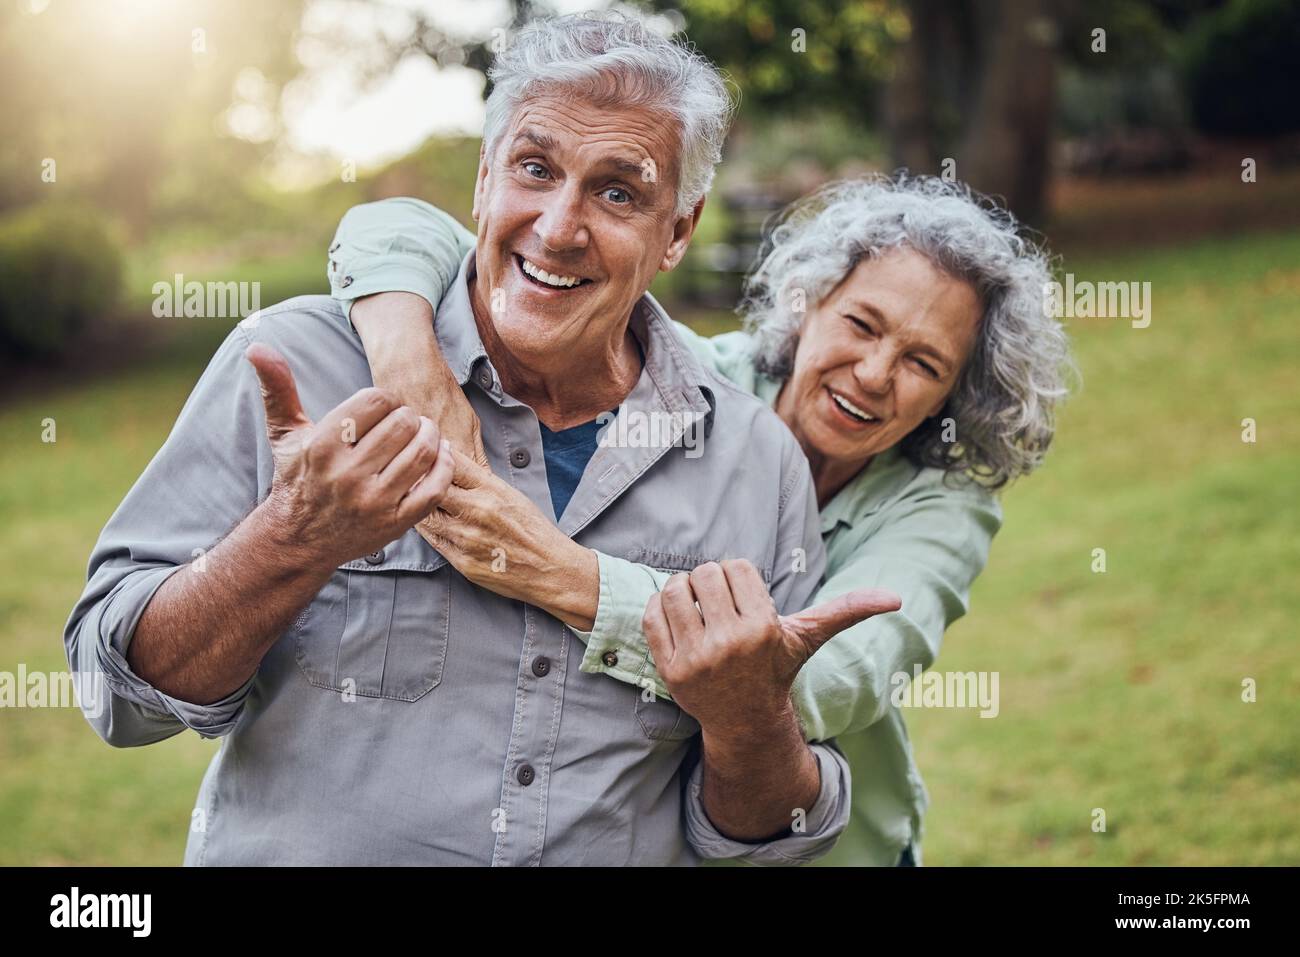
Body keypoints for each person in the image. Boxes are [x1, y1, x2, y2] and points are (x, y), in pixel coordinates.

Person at [63, 13, 892, 866]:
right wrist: (293, 539)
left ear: (679, 229)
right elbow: (117, 696)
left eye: (618, 192)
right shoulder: (297, 364)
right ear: (485, 180)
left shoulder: (755, 462)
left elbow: (769, 840)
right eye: (535, 169)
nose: (560, 226)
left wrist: (749, 717)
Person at [325, 173, 1074, 865]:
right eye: (862, 323)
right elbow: (407, 234)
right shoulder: (687, 376)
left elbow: (829, 680)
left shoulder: (944, 507)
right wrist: (407, 359)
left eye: (924, 364)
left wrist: (561, 575)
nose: (875, 375)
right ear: (807, 302)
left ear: (951, 396)